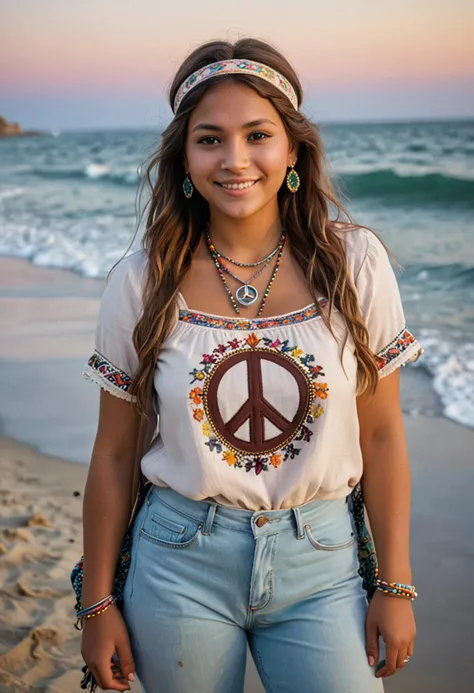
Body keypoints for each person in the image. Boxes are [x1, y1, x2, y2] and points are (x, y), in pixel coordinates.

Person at [77, 38, 423, 693]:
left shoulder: (356, 264)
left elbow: (381, 435)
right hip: (178, 560)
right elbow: (114, 454)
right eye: (210, 139)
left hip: (322, 563)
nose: (235, 160)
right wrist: (97, 604)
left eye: (257, 134)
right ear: (184, 157)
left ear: (293, 149)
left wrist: (396, 583)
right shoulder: (141, 281)